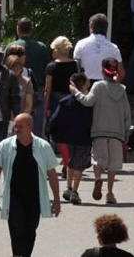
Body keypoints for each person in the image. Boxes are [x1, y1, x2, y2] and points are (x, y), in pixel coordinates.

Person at [0, 113, 61, 257]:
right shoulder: (5, 145)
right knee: (16, 232)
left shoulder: (43, 146)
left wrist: (56, 200)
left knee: (30, 232)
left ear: (30, 127)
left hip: (34, 199)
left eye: (20, 126)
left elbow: (52, 174)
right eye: (15, 126)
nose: (16, 129)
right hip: (14, 198)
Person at [74, 60, 130, 205]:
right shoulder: (122, 89)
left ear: (102, 71)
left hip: (99, 129)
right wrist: (126, 131)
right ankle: (110, 193)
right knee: (113, 164)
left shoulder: (98, 86)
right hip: (117, 132)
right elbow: (127, 113)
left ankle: (98, 179)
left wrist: (75, 92)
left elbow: (87, 101)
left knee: (98, 159)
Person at [48, 72, 95, 204]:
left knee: (70, 162)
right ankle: (75, 190)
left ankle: (68, 188)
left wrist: (51, 130)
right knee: (79, 165)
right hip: (84, 136)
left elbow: (55, 119)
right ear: (86, 84)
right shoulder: (89, 102)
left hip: (67, 136)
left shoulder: (65, 101)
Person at [44, 37, 80, 136]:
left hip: (56, 100)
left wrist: (45, 108)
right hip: (71, 97)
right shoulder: (75, 65)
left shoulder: (51, 66)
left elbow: (48, 90)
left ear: (56, 50)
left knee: (55, 126)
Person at [73, 15, 121, 86]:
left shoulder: (80, 44)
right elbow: (121, 72)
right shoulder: (113, 47)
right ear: (106, 28)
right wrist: (113, 84)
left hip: (85, 85)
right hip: (106, 85)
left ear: (91, 27)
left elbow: (75, 68)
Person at [4, 46, 34, 119]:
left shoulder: (26, 82)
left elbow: (29, 104)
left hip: (19, 118)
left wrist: (21, 119)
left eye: (18, 68)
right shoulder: (2, 81)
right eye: (13, 69)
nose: (16, 71)